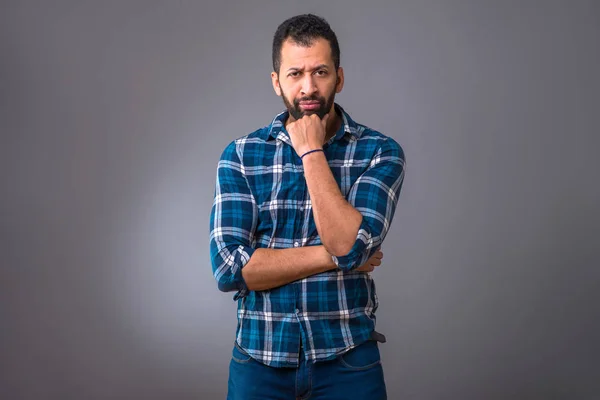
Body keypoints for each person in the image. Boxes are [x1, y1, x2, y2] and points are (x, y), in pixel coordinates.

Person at [209, 13, 405, 400]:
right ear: (276, 82)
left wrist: (311, 150)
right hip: (258, 360)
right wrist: (334, 257)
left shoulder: (379, 151)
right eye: (295, 74)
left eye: (320, 72)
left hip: (348, 360)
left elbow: (349, 244)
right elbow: (230, 268)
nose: (308, 87)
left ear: (340, 78)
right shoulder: (242, 155)